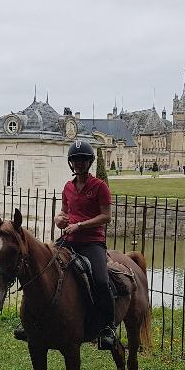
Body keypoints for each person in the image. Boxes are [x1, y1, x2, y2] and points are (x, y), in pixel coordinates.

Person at [14, 140, 116, 350]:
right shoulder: (68, 187)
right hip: (68, 240)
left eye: (83, 160)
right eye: (76, 160)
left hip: (91, 242)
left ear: (89, 163)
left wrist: (80, 225)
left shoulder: (100, 187)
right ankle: (31, 322)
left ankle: (107, 327)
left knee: (101, 280)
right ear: (71, 163)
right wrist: (58, 219)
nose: (79, 164)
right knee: (40, 268)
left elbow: (106, 217)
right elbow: (64, 212)